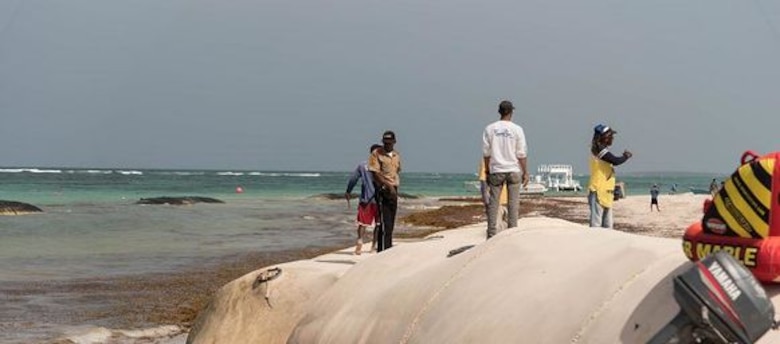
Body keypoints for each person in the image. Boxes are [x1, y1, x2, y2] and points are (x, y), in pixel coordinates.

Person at [482, 100, 528, 239]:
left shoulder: (489, 129)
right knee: (513, 204)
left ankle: (491, 234)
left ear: (499, 112)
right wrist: (525, 171)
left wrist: (487, 170)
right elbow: (521, 154)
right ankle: (512, 234)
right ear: (511, 112)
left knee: (493, 204)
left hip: (496, 169)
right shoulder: (517, 129)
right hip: (513, 169)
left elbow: (486, 153)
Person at [588, 124, 632, 228]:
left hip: (606, 191)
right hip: (598, 190)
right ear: (603, 137)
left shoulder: (600, 149)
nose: (612, 138)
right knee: (597, 225)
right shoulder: (598, 149)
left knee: (608, 225)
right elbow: (615, 161)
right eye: (610, 136)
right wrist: (625, 156)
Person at [345, 144, 382, 255]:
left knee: (362, 223)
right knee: (379, 224)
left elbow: (353, 179)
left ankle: (360, 241)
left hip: (366, 199)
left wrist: (348, 191)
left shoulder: (362, 165)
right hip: (380, 199)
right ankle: (373, 246)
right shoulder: (382, 165)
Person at [368, 130, 402, 252]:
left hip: (394, 190)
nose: (387, 145)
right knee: (383, 223)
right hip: (383, 190)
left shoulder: (396, 155)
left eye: (389, 142)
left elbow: (397, 171)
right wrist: (387, 185)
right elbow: (375, 173)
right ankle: (382, 251)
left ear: (394, 142)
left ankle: (388, 249)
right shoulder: (376, 154)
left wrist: (394, 187)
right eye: (385, 142)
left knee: (391, 223)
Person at [478, 158, 508, 230]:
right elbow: (483, 183)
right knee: (495, 229)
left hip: (507, 202)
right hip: (496, 202)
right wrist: (488, 203)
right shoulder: (488, 159)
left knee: (506, 230)